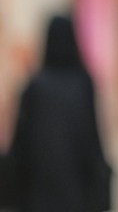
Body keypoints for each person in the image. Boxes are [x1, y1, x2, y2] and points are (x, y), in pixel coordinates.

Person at [8, 14, 112, 212]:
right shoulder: (83, 83)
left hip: (39, 186)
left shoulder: (35, 86)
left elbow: (21, 140)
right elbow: (93, 135)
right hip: (77, 185)